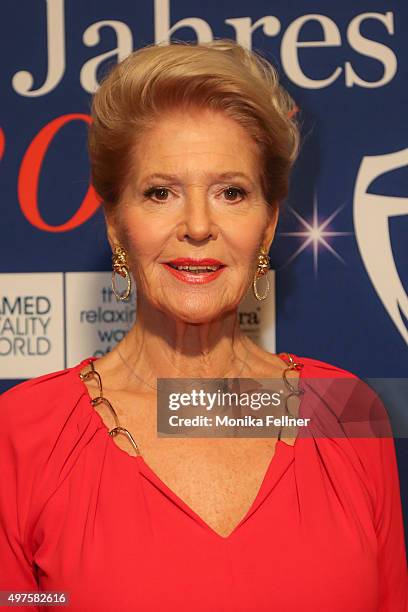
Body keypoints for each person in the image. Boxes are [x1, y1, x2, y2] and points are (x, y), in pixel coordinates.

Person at [0, 39, 406, 611]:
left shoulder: (346, 413)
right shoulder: (23, 433)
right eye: (161, 192)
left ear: (266, 228)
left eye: (231, 192)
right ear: (117, 226)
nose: (197, 225)